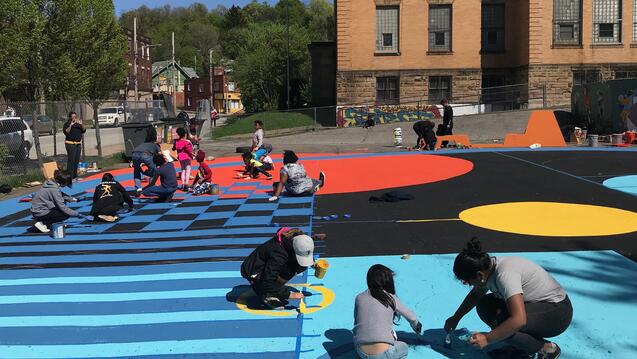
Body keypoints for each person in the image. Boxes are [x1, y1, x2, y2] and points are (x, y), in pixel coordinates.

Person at [444, 238, 572, 359]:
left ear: (479, 275)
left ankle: (547, 349)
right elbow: (475, 295)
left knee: (505, 325)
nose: (469, 285)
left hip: (557, 314)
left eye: (467, 282)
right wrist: (456, 317)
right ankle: (521, 346)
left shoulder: (505, 275)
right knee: (485, 305)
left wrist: (487, 339)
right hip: (538, 306)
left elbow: (518, 320)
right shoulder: (488, 268)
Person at [354, 264, 422, 359]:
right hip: (382, 354)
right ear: (388, 281)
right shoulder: (390, 297)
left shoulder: (359, 297)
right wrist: (416, 326)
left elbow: (356, 323)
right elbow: (412, 318)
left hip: (360, 351)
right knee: (403, 347)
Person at [240, 228, 314, 309]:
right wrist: (289, 295)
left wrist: (311, 261)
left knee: (300, 266)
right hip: (253, 271)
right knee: (267, 284)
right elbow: (268, 281)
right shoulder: (278, 255)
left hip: (268, 265)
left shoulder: (294, 240)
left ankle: (274, 289)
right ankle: (266, 295)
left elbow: (302, 251)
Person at [131, 127, 160, 195]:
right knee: (154, 170)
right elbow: (160, 156)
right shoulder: (155, 145)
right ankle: (151, 186)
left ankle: (138, 188)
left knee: (137, 171)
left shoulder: (143, 144)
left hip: (135, 154)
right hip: (145, 155)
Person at [63, 111, 86, 180]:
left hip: (78, 144)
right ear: (70, 117)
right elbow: (66, 132)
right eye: (73, 117)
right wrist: (71, 125)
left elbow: (84, 130)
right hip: (70, 144)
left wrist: (81, 124)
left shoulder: (78, 124)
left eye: (75, 117)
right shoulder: (67, 124)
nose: (74, 118)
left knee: (76, 160)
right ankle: (70, 177)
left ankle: (75, 176)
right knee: (71, 160)